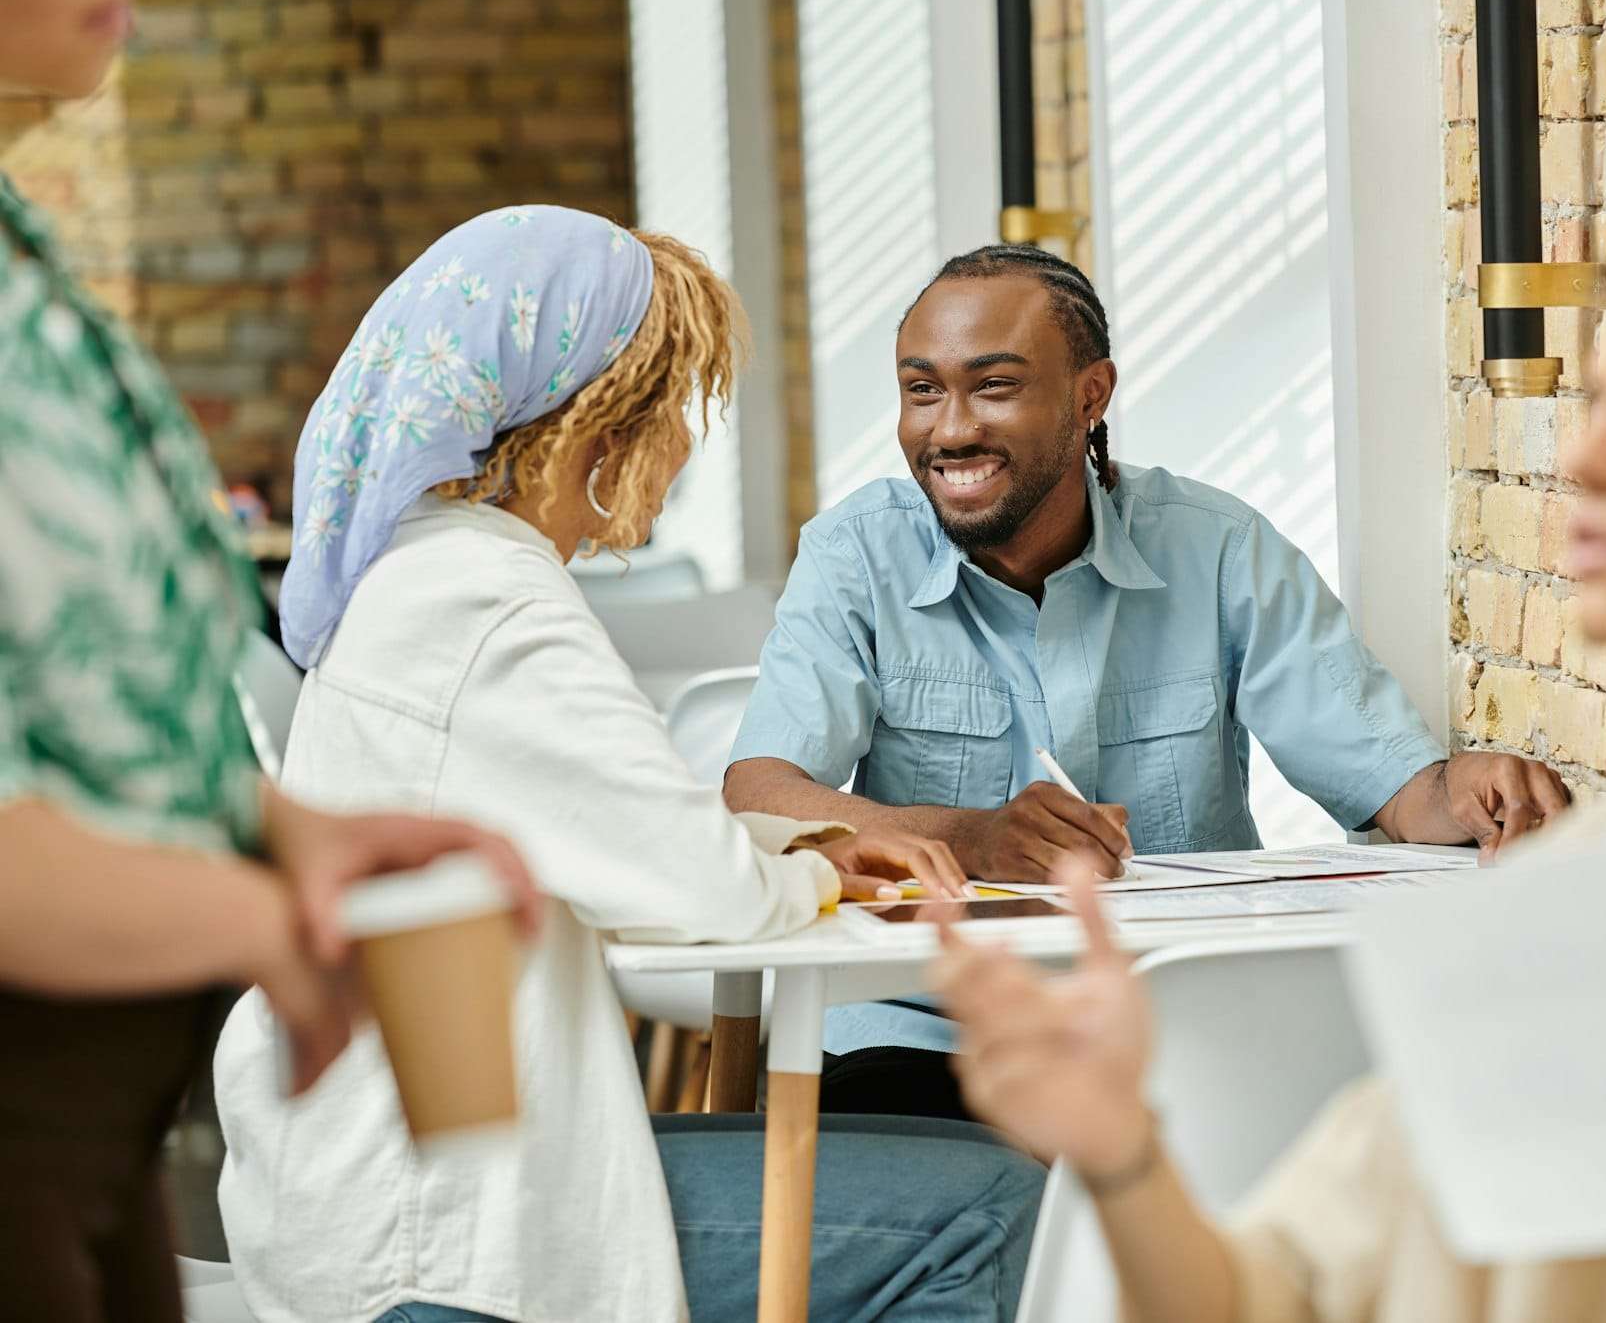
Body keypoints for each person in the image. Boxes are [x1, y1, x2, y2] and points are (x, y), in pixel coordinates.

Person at [932, 189, 1606, 1323]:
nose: (1586, 456)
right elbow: (1268, 1298)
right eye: (1601, 400)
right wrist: (1121, 1152)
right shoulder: (1564, 908)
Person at [213, 206, 1042, 1323]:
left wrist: (810, 848)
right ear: (591, 420)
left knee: (950, 1175)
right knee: (987, 1204)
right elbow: (706, 890)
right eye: (674, 409)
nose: (686, 448)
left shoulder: (424, 573)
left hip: (399, 1186)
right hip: (435, 1248)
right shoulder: (489, 605)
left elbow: (616, 836)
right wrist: (817, 872)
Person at [721, 242, 1567, 1088]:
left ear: (1090, 394)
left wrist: (1465, 789)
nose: (950, 429)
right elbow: (758, 791)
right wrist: (971, 838)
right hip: (929, 1033)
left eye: (995, 385)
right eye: (922, 390)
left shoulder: (1220, 550)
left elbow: (1400, 791)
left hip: (1184, 1036)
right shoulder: (854, 556)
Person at [0, 0, 537, 1318]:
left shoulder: (21, 256)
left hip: (95, 1119)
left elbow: (66, 680)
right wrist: (260, 921)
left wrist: (280, 829)